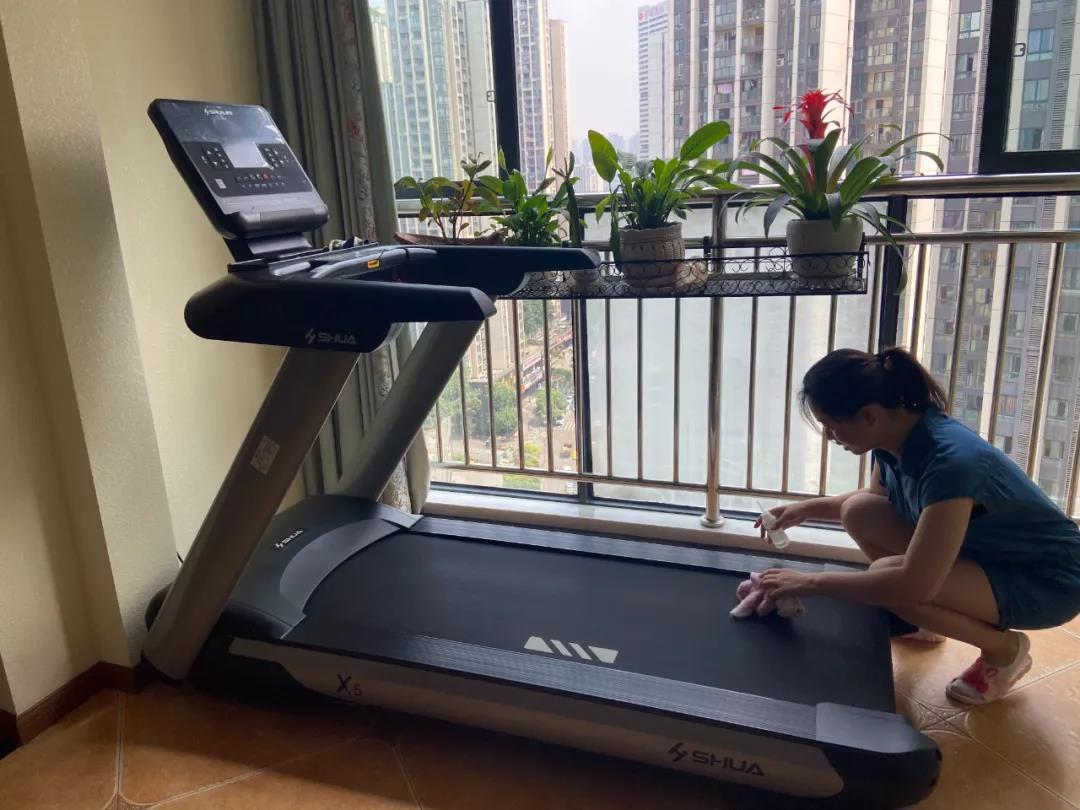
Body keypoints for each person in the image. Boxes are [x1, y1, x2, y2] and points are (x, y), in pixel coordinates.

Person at [756, 347, 1080, 704]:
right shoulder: (893, 436)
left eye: (833, 427)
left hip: (1047, 580)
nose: (830, 437)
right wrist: (805, 510)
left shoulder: (951, 463)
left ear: (868, 415)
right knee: (860, 511)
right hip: (990, 552)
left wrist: (809, 583)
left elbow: (912, 583)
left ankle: (1005, 651)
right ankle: (927, 621)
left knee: (896, 585)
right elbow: (876, 498)